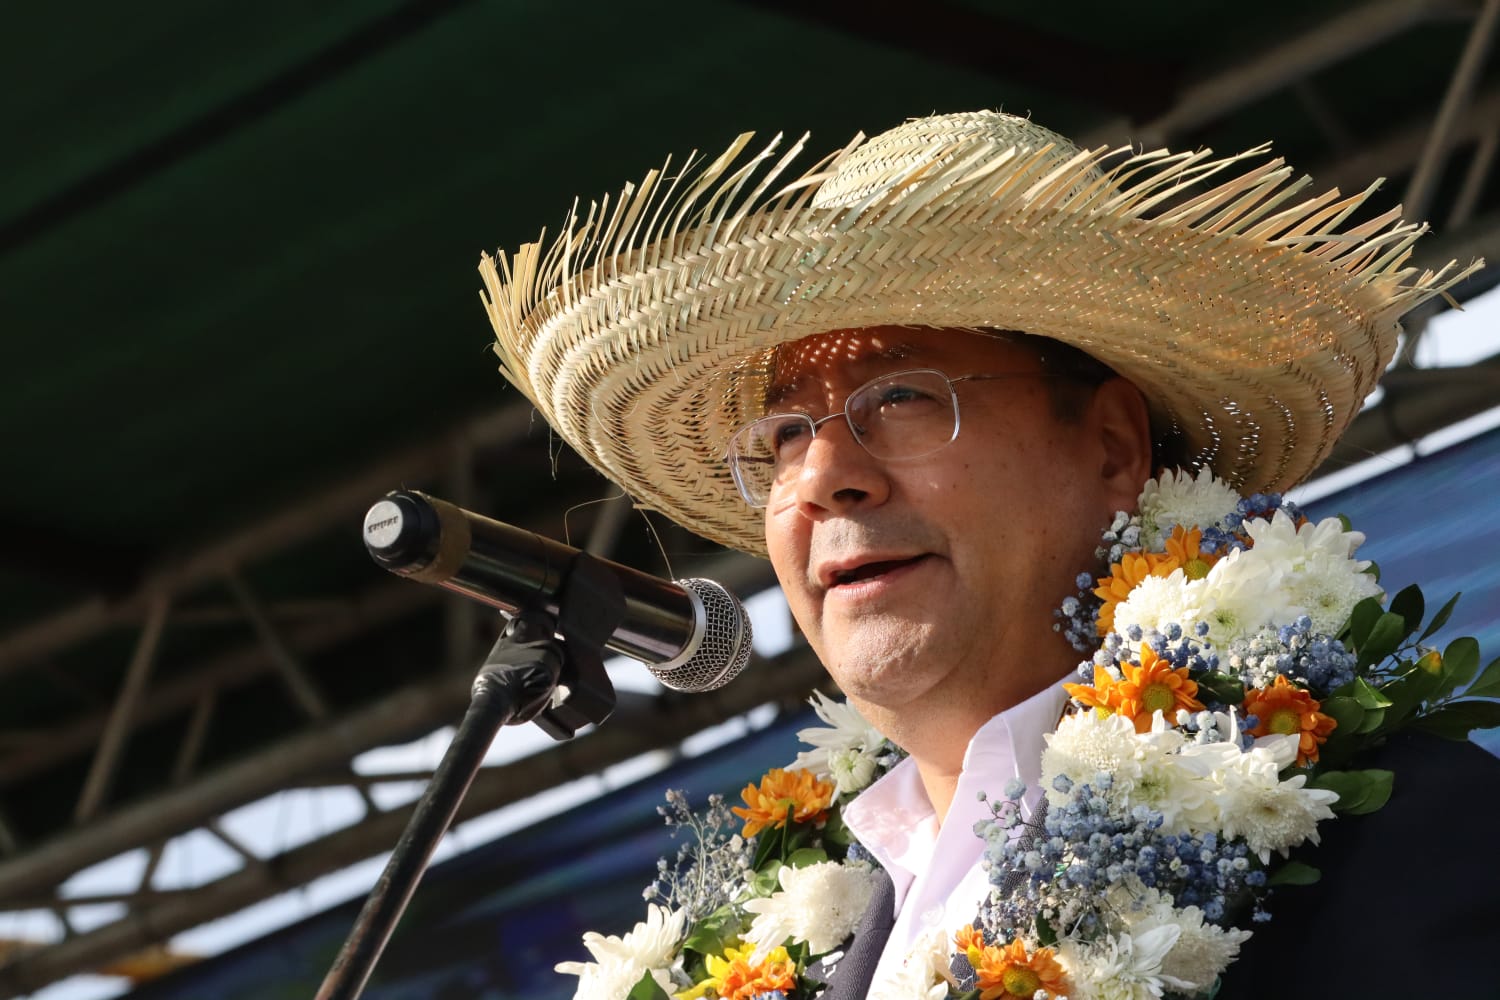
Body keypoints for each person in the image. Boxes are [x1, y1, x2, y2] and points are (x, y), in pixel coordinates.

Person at [477, 111, 1497, 997]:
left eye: (900, 396)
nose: (825, 475)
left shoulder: (1392, 833)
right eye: (786, 431)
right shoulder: (789, 946)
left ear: (1112, 447)